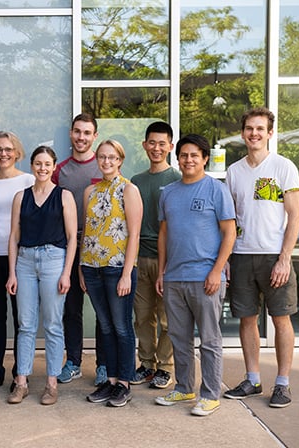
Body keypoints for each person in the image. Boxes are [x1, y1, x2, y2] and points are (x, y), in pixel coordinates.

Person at [223, 107, 299, 408]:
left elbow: (294, 217)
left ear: (270, 133)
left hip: (273, 256)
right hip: (242, 255)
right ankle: (252, 379)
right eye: (249, 128)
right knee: (247, 319)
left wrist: (284, 258)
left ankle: (282, 383)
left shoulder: (283, 167)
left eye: (260, 129)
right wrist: (227, 258)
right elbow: (229, 219)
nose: (254, 133)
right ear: (243, 132)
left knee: (281, 319)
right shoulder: (234, 171)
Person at [154, 134, 236, 417]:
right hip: (175, 277)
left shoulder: (216, 190)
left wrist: (216, 271)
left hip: (206, 278)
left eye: (194, 155)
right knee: (179, 337)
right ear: (178, 158)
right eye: (184, 155)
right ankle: (185, 387)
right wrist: (163, 271)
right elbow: (164, 234)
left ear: (204, 159)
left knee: (210, 340)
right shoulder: (169, 192)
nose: (189, 160)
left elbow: (229, 232)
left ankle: (210, 394)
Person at [6, 146, 77, 406]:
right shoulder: (20, 197)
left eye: (47, 164)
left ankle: (51, 383)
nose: (42, 168)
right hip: (24, 261)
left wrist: (67, 272)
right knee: (25, 324)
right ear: (32, 166)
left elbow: (72, 238)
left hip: (53, 260)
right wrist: (12, 272)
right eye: (38, 163)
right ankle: (21, 382)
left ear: (54, 166)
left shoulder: (64, 196)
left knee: (53, 324)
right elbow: (14, 236)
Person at [81, 140, 143, 408]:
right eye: (102, 157)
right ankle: (111, 378)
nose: (106, 161)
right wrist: (81, 269)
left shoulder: (128, 189)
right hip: (91, 267)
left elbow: (135, 234)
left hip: (117, 268)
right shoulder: (90, 191)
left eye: (112, 157)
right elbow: (88, 232)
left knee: (121, 326)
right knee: (104, 326)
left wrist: (127, 273)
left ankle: (125, 383)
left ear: (120, 160)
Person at [0, 131, 35, 393]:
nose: (3, 153)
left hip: (21, 258)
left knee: (23, 319)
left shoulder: (29, 180)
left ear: (17, 152)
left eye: (8, 149)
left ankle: (20, 372)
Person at [52, 113, 106, 386]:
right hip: (69, 248)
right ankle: (73, 361)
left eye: (87, 132)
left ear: (94, 136)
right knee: (71, 309)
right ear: (71, 134)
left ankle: (104, 364)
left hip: (100, 249)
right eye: (77, 132)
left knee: (101, 309)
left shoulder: (105, 166)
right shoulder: (59, 170)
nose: (81, 137)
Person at [130, 122, 181, 389]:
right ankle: (146, 364)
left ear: (170, 146)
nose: (156, 148)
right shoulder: (136, 181)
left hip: (168, 260)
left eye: (162, 143)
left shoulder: (177, 179)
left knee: (168, 318)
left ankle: (165, 367)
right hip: (140, 258)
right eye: (152, 142)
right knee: (142, 317)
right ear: (144, 145)